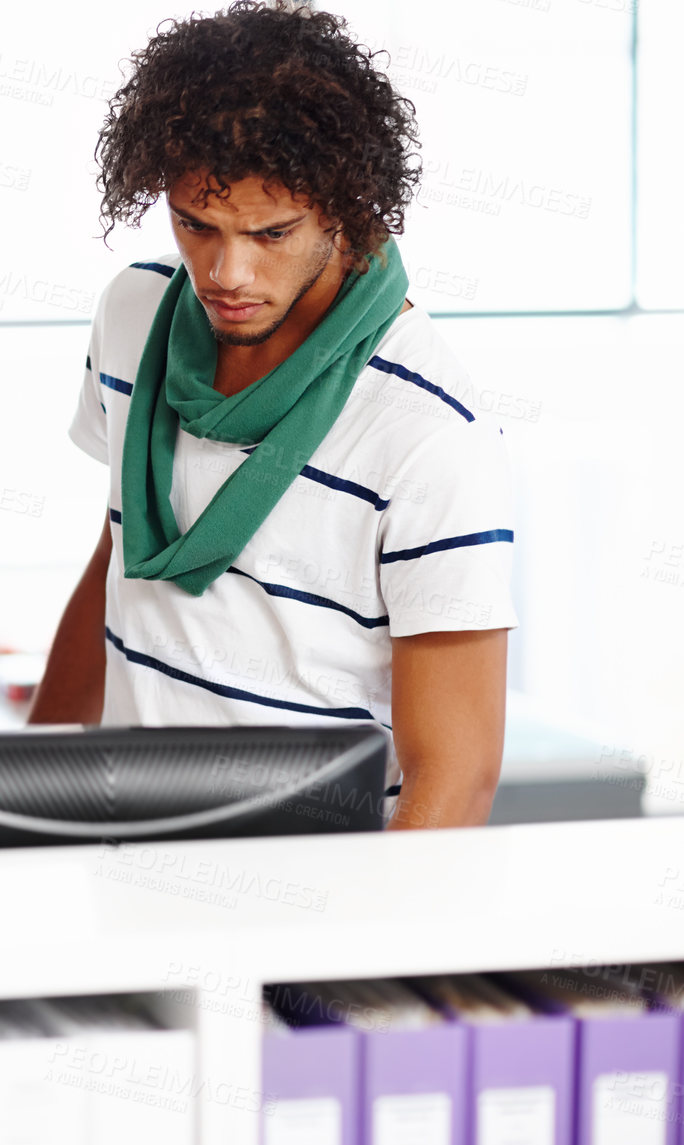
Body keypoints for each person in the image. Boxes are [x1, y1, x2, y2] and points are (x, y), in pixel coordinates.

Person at [30, 2, 515, 830]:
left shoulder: (429, 434)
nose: (227, 271)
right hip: (126, 854)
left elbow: (458, 773)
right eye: (195, 224)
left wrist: (354, 955)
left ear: (347, 207)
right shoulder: (132, 312)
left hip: (314, 897)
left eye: (272, 232)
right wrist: (21, 799)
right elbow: (120, 551)